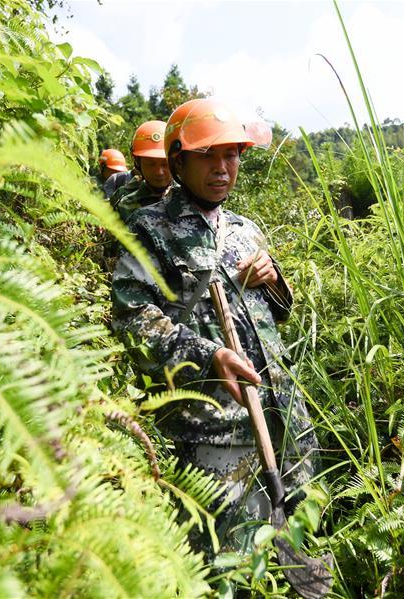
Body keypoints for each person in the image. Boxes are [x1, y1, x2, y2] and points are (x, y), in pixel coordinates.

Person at [111, 98, 318, 554]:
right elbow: (131, 316)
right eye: (208, 155)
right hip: (213, 430)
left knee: (291, 542)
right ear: (179, 161)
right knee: (222, 557)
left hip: (281, 414)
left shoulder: (246, 228)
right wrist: (207, 353)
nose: (223, 167)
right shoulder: (151, 230)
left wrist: (274, 279)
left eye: (231, 154)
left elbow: (278, 313)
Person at [110, 120, 174, 222]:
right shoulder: (123, 202)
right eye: (150, 164)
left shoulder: (191, 198)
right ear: (138, 163)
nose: (159, 172)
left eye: (165, 164)